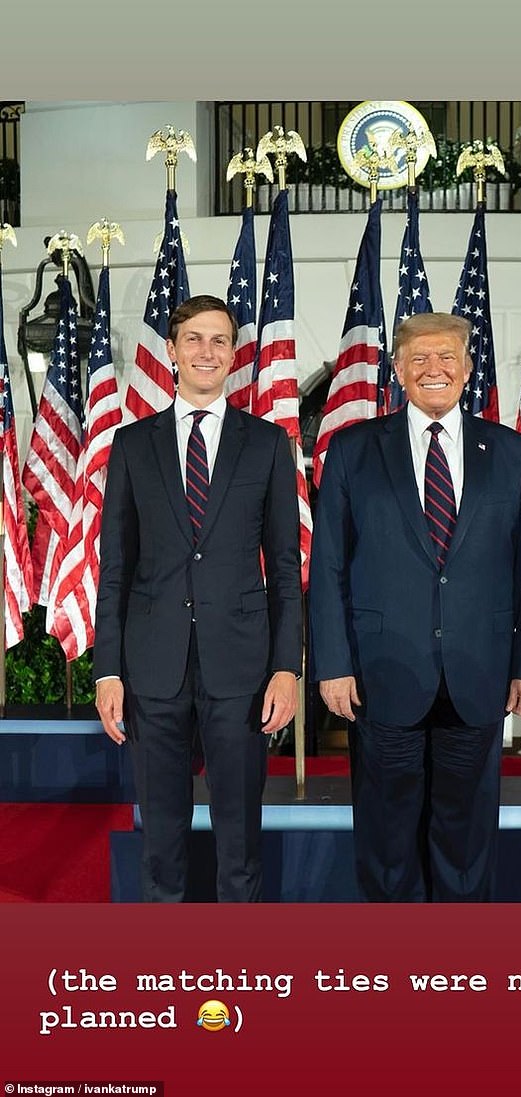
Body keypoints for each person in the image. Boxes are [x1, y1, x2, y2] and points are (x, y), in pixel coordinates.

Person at [309, 312, 521, 902]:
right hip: (382, 673)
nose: (434, 369)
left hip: (479, 674)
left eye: (447, 358)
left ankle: (454, 967)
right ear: (397, 370)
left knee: (466, 835)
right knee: (387, 834)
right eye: (419, 359)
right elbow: (330, 567)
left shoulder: (513, 453)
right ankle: (396, 966)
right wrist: (333, 664)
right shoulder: (353, 450)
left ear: (469, 368)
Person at [94, 294, 302, 902]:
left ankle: (235, 971)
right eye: (194, 339)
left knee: (240, 840)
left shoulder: (266, 444)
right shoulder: (132, 445)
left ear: (232, 355)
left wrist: (287, 667)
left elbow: (286, 570)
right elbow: (115, 570)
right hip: (151, 668)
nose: (206, 351)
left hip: (240, 669)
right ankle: (169, 970)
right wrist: (108, 671)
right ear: (172, 351)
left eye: (218, 341)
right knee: (162, 839)